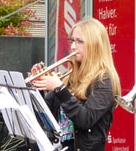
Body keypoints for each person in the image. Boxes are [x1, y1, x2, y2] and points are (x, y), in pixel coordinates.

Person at [30, 18, 122, 151]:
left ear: (95, 45)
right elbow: (45, 114)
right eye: (72, 40)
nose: (73, 46)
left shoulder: (104, 80)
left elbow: (85, 119)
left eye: (79, 41)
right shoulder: (70, 76)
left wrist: (59, 89)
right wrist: (39, 85)